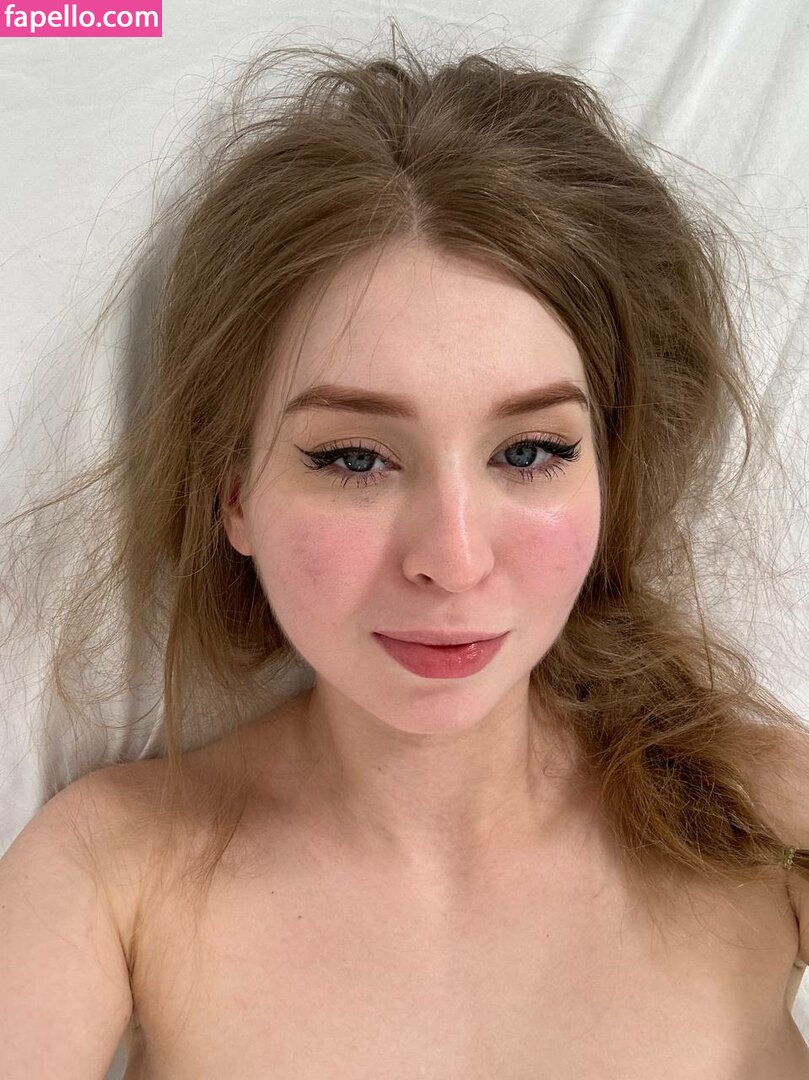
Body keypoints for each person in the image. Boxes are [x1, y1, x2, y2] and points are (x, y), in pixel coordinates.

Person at [1, 25, 808, 1078]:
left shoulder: (761, 810)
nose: (452, 560)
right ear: (233, 492)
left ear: (611, 477)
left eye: (529, 451)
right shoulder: (112, 873)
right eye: (353, 459)